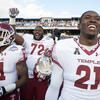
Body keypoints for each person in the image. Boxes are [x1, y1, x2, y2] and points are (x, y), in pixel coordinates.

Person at [45, 10, 100, 100]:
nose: (93, 20)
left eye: (97, 19)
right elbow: (54, 86)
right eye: (87, 17)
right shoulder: (63, 46)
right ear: (78, 25)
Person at [9, 8, 54, 100]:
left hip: (42, 77)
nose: (37, 31)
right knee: (26, 97)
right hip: (27, 77)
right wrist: (12, 19)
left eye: (39, 30)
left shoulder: (49, 41)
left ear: (43, 33)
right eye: (35, 30)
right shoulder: (27, 38)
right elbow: (13, 35)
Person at [0, 22, 28, 100]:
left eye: (1, 33)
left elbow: (24, 78)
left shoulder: (16, 51)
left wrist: (4, 89)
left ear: (9, 36)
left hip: (10, 94)